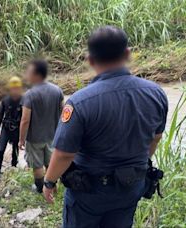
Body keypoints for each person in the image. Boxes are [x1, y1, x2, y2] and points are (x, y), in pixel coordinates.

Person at [42, 26, 168, 228]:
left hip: (89, 192)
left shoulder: (80, 102)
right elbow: (155, 138)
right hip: (131, 186)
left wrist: (49, 181)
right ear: (127, 54)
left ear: (90, 60)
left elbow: (64, 154)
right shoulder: (156, 94)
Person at [19, 59, 64, 193]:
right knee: (50, 162)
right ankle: (52, 187)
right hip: (53, 135)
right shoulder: (57, 90)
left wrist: (21, 139)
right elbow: (64, 113)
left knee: (37, 165)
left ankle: (39, 188)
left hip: (34, 138)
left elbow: (25, 120)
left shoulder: (29, 95)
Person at [0, 76, 23, 183]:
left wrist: (25, 134)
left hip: (17, 128)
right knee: (0, 150)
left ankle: (14, 167)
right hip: (6, 127)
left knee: (15, 149)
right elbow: (1, 114)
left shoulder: (23, 100)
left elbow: (26, 118)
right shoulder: (5, 99)